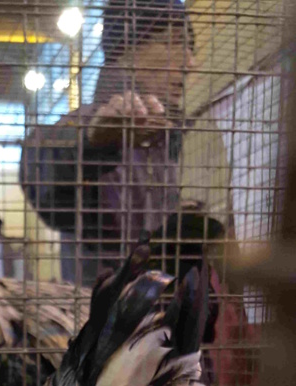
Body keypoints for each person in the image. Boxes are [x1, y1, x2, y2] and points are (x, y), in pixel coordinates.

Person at [20, 0, 196, 286]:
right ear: (126, 51)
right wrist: (92, 141)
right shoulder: (86, 121)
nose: (190, 63)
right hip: (98, 317)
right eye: (174, 43)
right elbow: (38, 169)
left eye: (190, 48)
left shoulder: (166, 136)